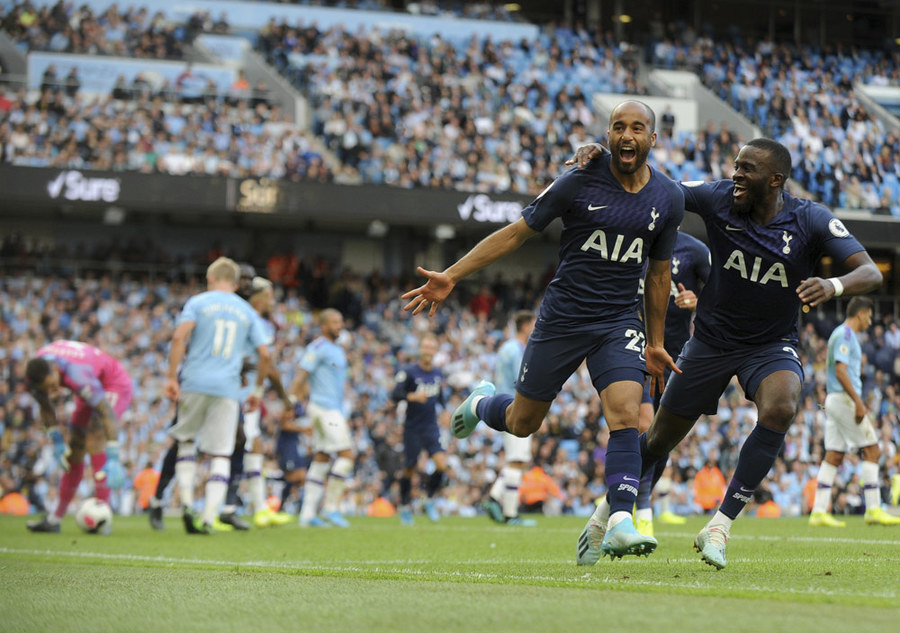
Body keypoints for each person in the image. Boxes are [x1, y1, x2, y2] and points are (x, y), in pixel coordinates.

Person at [570, 137, 883, 569]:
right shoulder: (719, 198)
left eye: (747, 168)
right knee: (659, 440)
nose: (736, 174)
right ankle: (605, 513)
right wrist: (606, 161)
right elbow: (655, 185)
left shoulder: (809, 219)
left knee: (781, 406)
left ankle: (719, 525)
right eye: (736, 165)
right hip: (711, 342)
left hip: (771, 344)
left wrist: (833, 286)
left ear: (774, 180)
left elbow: (869, 271)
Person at [402, 101, 685, 559]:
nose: (626, 135)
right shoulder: (577, 180)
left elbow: (658, 274)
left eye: (637, 127)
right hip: (564, 318)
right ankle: (482, 403)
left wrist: (655, 342)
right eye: (618, 127)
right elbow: (516, 233)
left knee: (627, 416)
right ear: (608, 136)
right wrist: (452, 275)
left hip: (618, 321)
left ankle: (619, 521)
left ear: (654, 138)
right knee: (522, 423)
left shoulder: (669, 198)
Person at [163, 257, 270, 534]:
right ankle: (209, 517)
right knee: (222, 452)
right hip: (227, 387)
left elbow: (178, 338)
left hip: (194, 382)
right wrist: (256, 390)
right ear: (235, 284)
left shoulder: (198, 303)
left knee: (186, 442)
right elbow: (265, 353)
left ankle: (186, 504)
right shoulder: (246, 310)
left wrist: (171, 377)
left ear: (210, 279)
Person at [633, 232, 710, 536]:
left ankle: (634, 499)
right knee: (642, 422)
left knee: (661, 435)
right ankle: (642, 510)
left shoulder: (695, 251)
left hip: (673, 355)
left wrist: (696, 303)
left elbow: (723, 297)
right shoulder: (631, 241)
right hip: (632, 347)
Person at [24, 340, 132, 533]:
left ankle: (103, 516)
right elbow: (45, 406)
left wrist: (113, 452)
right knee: (75, 449)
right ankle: (55, 519)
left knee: (94, 438)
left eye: (52, 385)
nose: (52, 392)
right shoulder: (36, 374)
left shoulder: (77, 374)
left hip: (113, 384)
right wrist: (56, 440)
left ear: (55, 369)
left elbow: (106, 412)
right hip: (90, 387)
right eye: (46, 390)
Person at [810, 296, 900, 527]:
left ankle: (818, 511)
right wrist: (858, 402)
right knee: (872, 450)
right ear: (860, 314)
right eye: (869, 316)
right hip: (844, 400)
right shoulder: (846, 335)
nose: (870, 321)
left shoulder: (841, 335)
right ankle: (873, 509)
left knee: (834, 455)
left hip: (835, 399)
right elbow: (841, 371)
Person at [218, 276, 294, 530]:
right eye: (271, 296)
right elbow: (268, 365)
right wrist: (283, 397)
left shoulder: (246, 318)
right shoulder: (253, 320)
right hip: (242, 396)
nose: (274, 301)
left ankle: (254, 508)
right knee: (237, 449)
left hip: (244, 395)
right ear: (260, 297)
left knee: (252, 447)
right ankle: (222, 508)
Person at [291, 308, 354, 528]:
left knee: (322, 458)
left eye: (340, 321)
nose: (340, 325)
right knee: (347, 456)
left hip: (331, 407)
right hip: (324, 408)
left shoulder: (336, 349)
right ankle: (330, 508)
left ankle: (307, 515)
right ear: (324, 325)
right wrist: (292, 399)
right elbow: (302, 372)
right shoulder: (317, 347)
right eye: (335, 322)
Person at [483, 310, 538, 527]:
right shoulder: (518, 350)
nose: (536, 328)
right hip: (517, 408)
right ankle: (509, 513)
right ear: (525, 326)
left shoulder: (506, 348)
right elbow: (522, 381)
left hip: (504, 407)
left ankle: (494, 499)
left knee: (517, 460)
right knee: (517, 460)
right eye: (534, 324)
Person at [391, 333, 448, 525]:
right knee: (409, 467)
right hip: (412, 427)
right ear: (420, 349)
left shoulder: (438, 374)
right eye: (425, 347)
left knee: (442, 465)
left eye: (432, 347)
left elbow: (440, 398)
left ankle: (428, 499)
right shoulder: (408, 372)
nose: (428, 351)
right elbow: (395, 394)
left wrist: (446, 412)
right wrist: (411, 397)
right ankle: (405, 506)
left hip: (431, 426)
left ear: (435, 351)